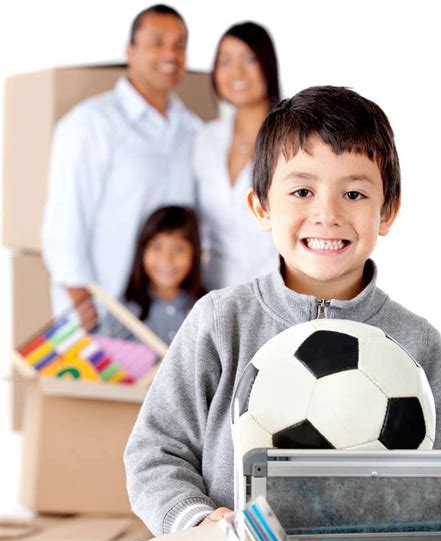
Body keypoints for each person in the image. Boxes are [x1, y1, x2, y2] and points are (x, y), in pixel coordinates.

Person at [125, 86, 441, 541]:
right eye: (302, 190)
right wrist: (196, 528)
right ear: (260, 206)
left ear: (388, 211)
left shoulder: (418, 342)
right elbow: (154, 452)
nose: (326, 214)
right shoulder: (220, 322)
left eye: (354, 193)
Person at [41, 4, 201, 325]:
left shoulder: (193, 130)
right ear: (130, 51)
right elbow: (64, 224)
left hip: (167, 320)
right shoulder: (92, 124)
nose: (170, 53)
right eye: (157, 42)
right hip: (102, 315)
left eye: (179, 44)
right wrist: (84, 309)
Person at [193, 22, 281, 290]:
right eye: (225, 61)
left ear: (267, 64)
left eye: (249, 59)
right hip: (216, 289)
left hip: (278, 289)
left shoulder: (294, 138)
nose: (237, 72)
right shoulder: (206, 138)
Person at [100, 206, 204, 344]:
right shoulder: (122, 311)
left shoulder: (206, 310)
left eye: (179, 249)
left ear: (195, 254)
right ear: (142, 251)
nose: (166, 259)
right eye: (156, 247)